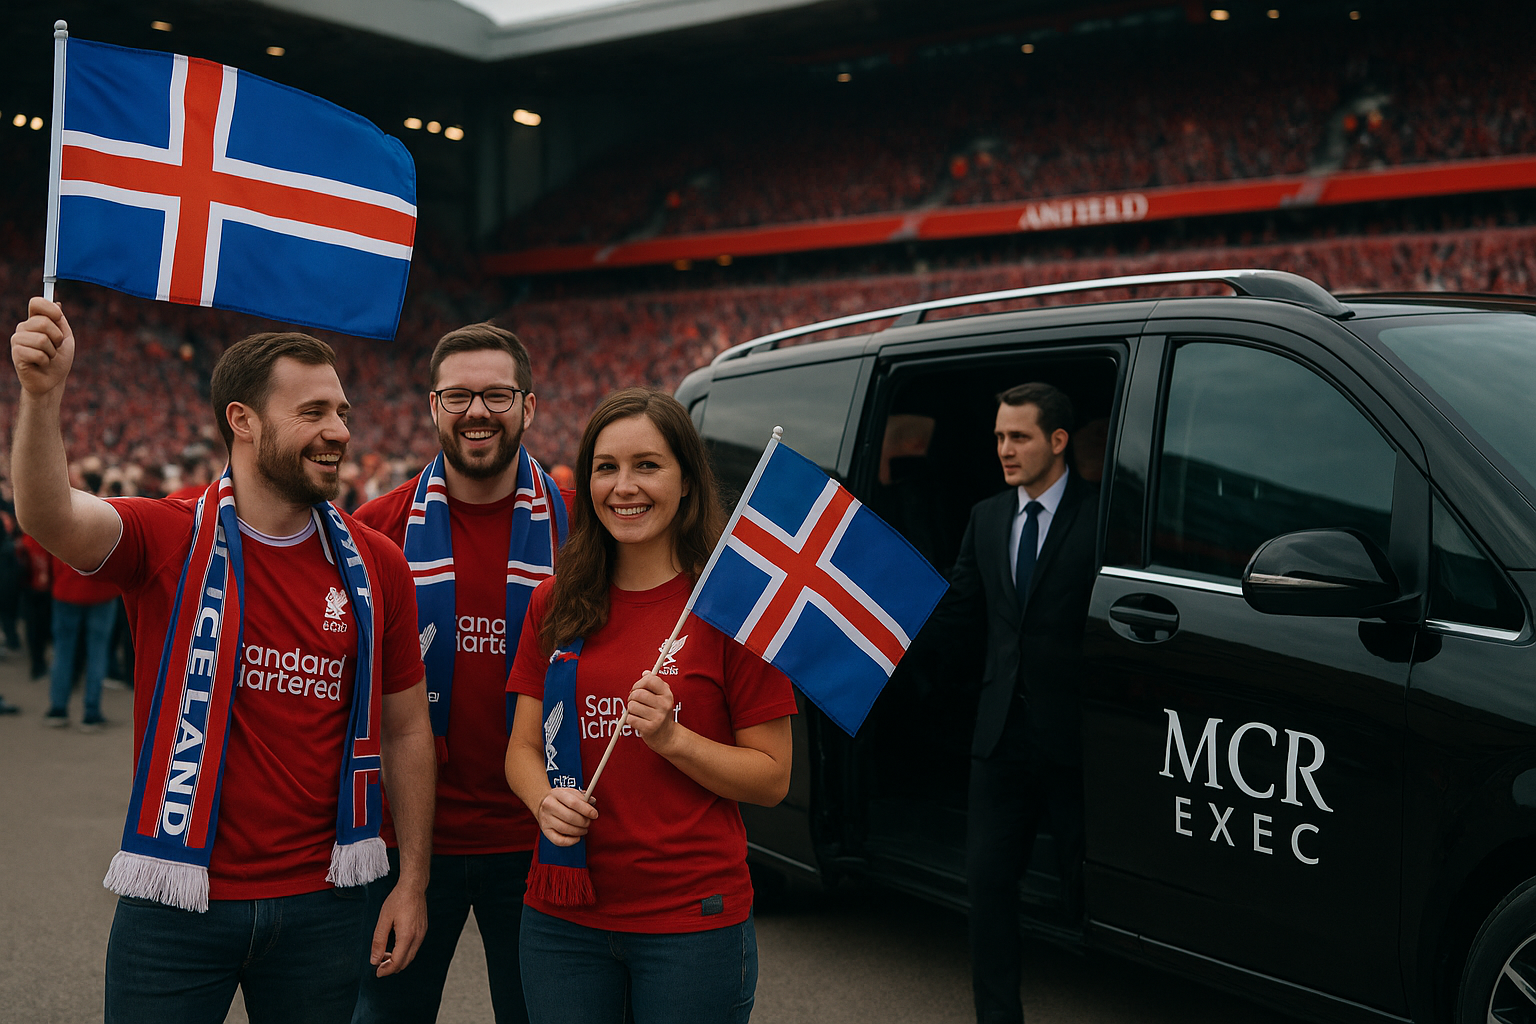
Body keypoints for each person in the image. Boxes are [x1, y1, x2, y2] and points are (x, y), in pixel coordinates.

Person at [10, 297, 437, 1024]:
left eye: (341, 410)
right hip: (175, 898)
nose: (339, 430)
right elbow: (51, 516)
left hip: (324, 905)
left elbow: (404, 731)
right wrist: (42, 397)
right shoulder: (168, 534)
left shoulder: (377, 566)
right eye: (313, 413)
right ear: (242, 421)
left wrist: (413, 882)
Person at [504, 388, 797, 1024]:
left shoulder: (732, 607)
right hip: (562, 923)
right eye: (606, 467)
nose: (624, 486)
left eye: (647, 465)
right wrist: (542, 800)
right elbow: (522, 749)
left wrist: (675, 740)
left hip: (692, 924)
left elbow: (773, 778)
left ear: (687, 481)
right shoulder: (555, 602)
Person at [352, 323, 566, 1024]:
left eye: (497, 395)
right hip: (405, 842)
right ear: (433, 407)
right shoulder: (375, 529)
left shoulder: (581, 531)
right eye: (459, 396)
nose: (478, 412)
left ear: (529, 407)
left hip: (540, 836)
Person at [926, 381, 1099, 1024]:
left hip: (1076, 736)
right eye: (999, 437)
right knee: (989, 887)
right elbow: (959, 612)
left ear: (1058, 441)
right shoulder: (987, 517)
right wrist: (884, 629)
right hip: (999, 736)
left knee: (1089, 881)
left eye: (1018, 436)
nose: (1004, 449)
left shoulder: (1103, 513)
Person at [43, 552, 118, 731]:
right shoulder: (108, 522)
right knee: (97, 652)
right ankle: (91, 713)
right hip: (102, 590)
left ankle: (58, 708)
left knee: (62, 651)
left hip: (66, 587)